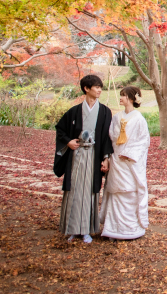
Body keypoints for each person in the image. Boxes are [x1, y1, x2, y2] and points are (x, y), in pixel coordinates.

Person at [53, 74, 114, 243]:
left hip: (93, 156)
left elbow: (107, 138)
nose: (99, 90)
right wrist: (69, 142)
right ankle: (72, 229)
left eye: (100, 87)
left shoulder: (104, 111)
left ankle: (86, 229)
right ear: (86, 89)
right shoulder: (74, 111)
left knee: (89, 192)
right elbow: (60, 130)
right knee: (74, 190)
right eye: (96, 87)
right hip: (76, 156)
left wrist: (106, 158)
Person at [100, 86, 150, 240]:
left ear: (130, 98)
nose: (120, 98)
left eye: (123, 95)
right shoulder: (116, 117)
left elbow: (143, 141)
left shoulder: (139, 119)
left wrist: (129, 154)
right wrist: (108, 157)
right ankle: (113, 229)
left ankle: (130, 229)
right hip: (116, 160)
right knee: (115, 193)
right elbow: (109, 139)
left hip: (129, 162)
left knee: (129, 192)